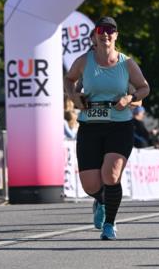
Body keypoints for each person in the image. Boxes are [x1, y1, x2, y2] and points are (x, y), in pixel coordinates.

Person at [64, 16, 149, 240]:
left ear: (116, 35)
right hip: (90, 126)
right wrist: (74, 96)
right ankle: (101, 200)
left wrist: (129, 98)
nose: (106, 34)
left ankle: (109, 225)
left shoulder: (126, 63)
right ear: (95, 36)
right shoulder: (84, 61)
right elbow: (69, 79)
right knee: (90, 185)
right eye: (101, 30)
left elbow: (144, 88)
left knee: (111, 175)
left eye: (110, 31)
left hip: (119, 126)